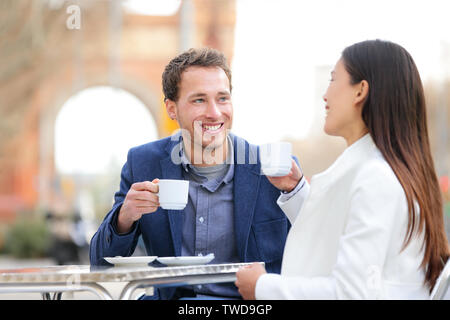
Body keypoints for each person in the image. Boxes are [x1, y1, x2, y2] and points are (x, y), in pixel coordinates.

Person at [235, 39, 450, 299]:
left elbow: (350, 294)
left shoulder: (376, 177)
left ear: (360, 91)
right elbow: (340, 229)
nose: (325, 94)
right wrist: (297, 190)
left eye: (333, 79)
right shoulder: (383, 169)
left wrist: (261, 287)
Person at [89, 47, 295, 300]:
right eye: (199, 100)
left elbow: (315, 250)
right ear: (172, 109)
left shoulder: (275, 169)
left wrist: (297, 194)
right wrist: (125, 217)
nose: (215, 113)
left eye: (222, 98)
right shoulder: (143, 163)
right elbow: (100, 263)